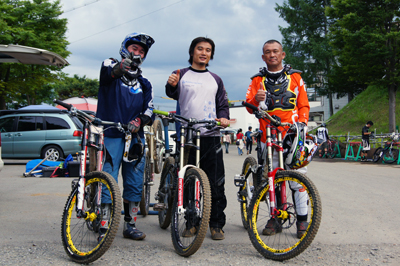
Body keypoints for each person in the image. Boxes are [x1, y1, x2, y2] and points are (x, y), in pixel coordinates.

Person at [245, 39, 311, 239]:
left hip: (292, 134)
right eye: (267, 52)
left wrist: (302, 125)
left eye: (275, 51)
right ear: (263, 57)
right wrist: (255, 100)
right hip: (268, 136)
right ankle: (275, 217)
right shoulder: (257, 80)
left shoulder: (296, 77)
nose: (272, 54)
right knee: (271, 179)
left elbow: (303, 105)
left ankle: (302, 220)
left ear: (283, 54)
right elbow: (249, 106)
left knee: (298, 179)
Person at [165, 37, 230, 240]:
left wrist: (225, 118)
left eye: (208, 50)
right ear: (192, 51)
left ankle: (216, 224)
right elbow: (172, 93)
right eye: (199, 49)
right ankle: (191, 222)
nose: (203, 52)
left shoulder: (216, 79)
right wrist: (171, 85)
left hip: (210, 134)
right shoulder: (181, 74)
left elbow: (222, 104)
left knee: (216, 181)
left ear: (211, 54)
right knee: (188, 180)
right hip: (187, 134)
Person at [97, 32, 155, 241]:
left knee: (134, 180)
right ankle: (105, 223)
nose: (137, 52)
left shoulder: (145, 83)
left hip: (135, 138)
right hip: (111, 133)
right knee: (108, 177)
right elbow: (106, 76)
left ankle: (130, 225)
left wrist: (139, 121)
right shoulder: (110, 64)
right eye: (134, 48)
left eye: (141, 51)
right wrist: (122, 66)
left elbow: (150, 110)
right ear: (125, 48)